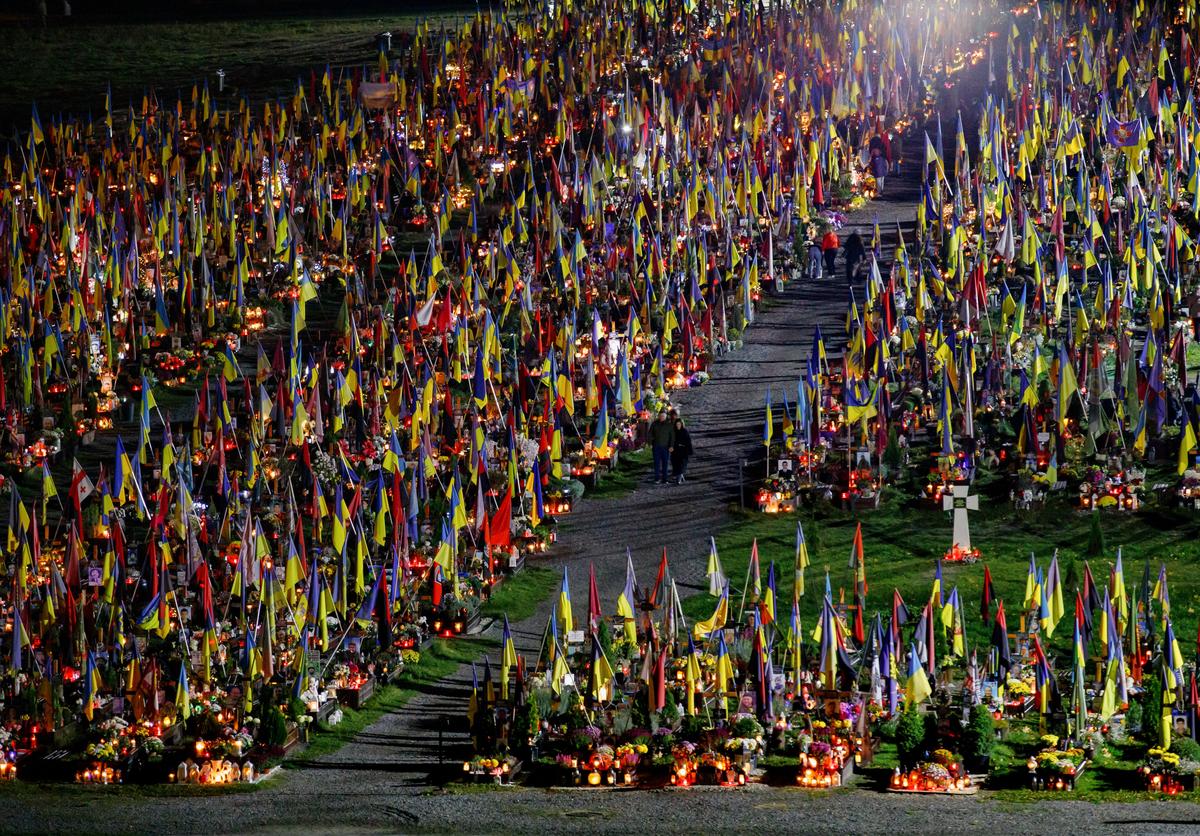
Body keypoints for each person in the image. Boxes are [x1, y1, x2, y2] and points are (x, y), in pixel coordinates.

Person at [648, 410, 675, 484]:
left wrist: (671, 446)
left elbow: (672, 437)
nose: (661, 417)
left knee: (665, 463)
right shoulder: (654, 424)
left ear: (666, 416)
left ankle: (665, 479)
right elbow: (650, 434)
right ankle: (657, 478)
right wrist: (650, 443)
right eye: (660, 416)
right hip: (656, 446)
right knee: (656, 463)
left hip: (665, 447)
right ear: (658, 416)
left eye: (663, 416)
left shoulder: (669, 425)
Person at [670, 417, 693, 483]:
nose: (678, 426)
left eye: (679, 424)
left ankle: (679, 479)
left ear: (682, 424)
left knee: (682, 465)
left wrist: (689, 451)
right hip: (675, 451)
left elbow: (688, 441)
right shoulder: (674, 431)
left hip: (683, 451)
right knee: (676, 464)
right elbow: (671, 440)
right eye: (677, 424)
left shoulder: (685, 432)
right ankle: (681, 476)